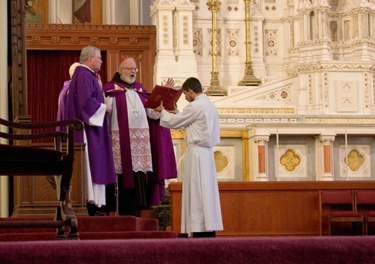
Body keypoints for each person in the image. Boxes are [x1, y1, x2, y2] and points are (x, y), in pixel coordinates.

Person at [102, 57, 177, 216]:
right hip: (120, 140)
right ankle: (121, 210)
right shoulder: (110, 90)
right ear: (120, 70)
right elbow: (104, 115)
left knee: (139, 174)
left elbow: (153, 114)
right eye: (129, 69)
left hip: (141, 141)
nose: (133, 72)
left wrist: (164, 95)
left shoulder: (140, 91)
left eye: (135, 69)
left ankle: (137, 209)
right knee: (123, 174)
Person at [154, 77, 223, 238]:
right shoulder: (209, 105)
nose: (185, 97)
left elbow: (174, 122)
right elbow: (194, 123)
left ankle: (199, 229)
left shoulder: (196, 105)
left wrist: (162, 110)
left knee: (197, 192)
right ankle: (208, 228)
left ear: (191, 91)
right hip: (206, 154)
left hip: (197, 154)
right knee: (206, 193)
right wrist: (178, 113)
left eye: (185, 94)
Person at [64, 45, 116, 216]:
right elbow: (86, 103)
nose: (101, 61)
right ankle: (93, 204)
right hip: (89, 130)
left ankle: (96, 204)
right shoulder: (84, 75)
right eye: (99, 57)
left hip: (92, 127)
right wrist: (105, 108)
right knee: (92, 163)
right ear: (90, 59)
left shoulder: (86, 76)